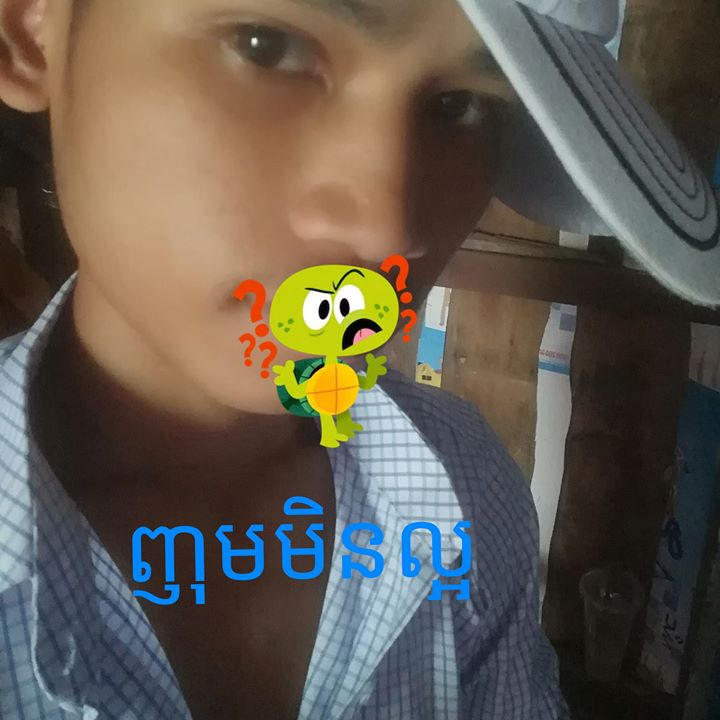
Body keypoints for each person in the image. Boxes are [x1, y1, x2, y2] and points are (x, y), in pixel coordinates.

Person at [0, 0, 717, 718]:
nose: (387, 229)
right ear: (31, 25)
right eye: (265, 45)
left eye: (460, 105)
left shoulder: (466, 491)